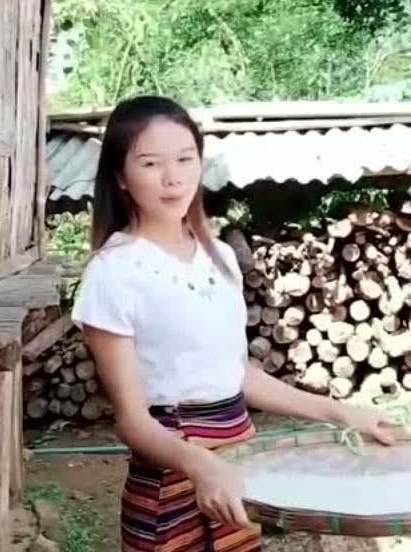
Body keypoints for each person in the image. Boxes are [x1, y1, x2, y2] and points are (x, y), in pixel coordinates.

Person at [72, 95, 395, 552]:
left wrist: (344, 414)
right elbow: (132, 420)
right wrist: (201, 464)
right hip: (171, 472)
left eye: (185, 159)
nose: (173, 177)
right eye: (151, 163)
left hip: (241, 463)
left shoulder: (220, 258)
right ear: (120, 176)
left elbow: (236, 375)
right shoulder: (113, 272)